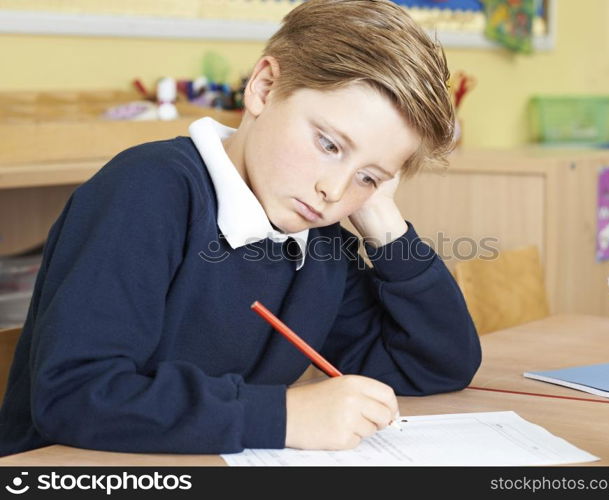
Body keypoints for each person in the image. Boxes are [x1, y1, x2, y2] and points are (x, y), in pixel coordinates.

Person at [0, 0, 480, 456]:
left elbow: (435, 365)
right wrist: (284, 416)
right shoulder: (147, 191)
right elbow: (75, 395)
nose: (333, 190)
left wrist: (385, 227)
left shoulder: (316, 240)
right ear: (265, 88)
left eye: (369, 176)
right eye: (330, 145)